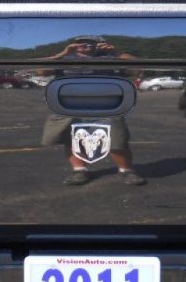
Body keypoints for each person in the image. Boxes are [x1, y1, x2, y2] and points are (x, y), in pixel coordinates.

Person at [40, 36, 145, 186]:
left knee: (117, 140)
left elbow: (138, 68)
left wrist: (117, 52)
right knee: (71, 139)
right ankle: (79, 170)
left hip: (106, 106)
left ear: (101, 45)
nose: (87, 45)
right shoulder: (65, 59)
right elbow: (41, 70)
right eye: (81, 43)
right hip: (69, 105)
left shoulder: (111, 59)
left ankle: (126, 171)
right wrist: (62, 53)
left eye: (92, 43)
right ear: (73, 45)